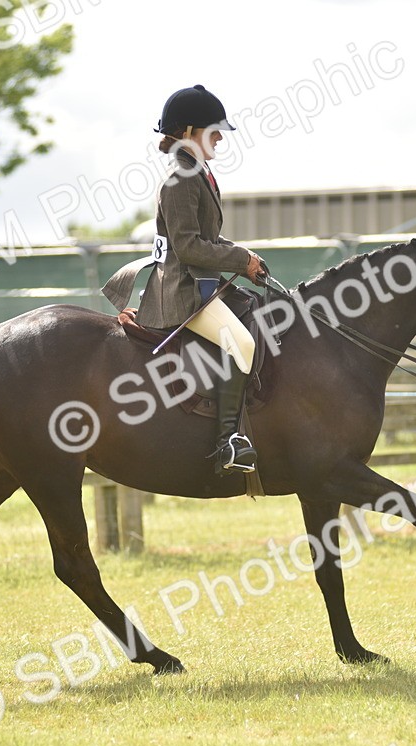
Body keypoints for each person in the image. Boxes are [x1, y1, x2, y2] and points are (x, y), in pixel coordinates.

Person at [124, 85, 267, 475]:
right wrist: (240, 258)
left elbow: (206, 240)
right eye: (214, 130)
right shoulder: (180, 178)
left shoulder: (195, 173)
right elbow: (187, 246)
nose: (220, 137)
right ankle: (227, 444)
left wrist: (246, 259)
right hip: (180, 290)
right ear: (189, 130)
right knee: (242, 343)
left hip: (197, 281)